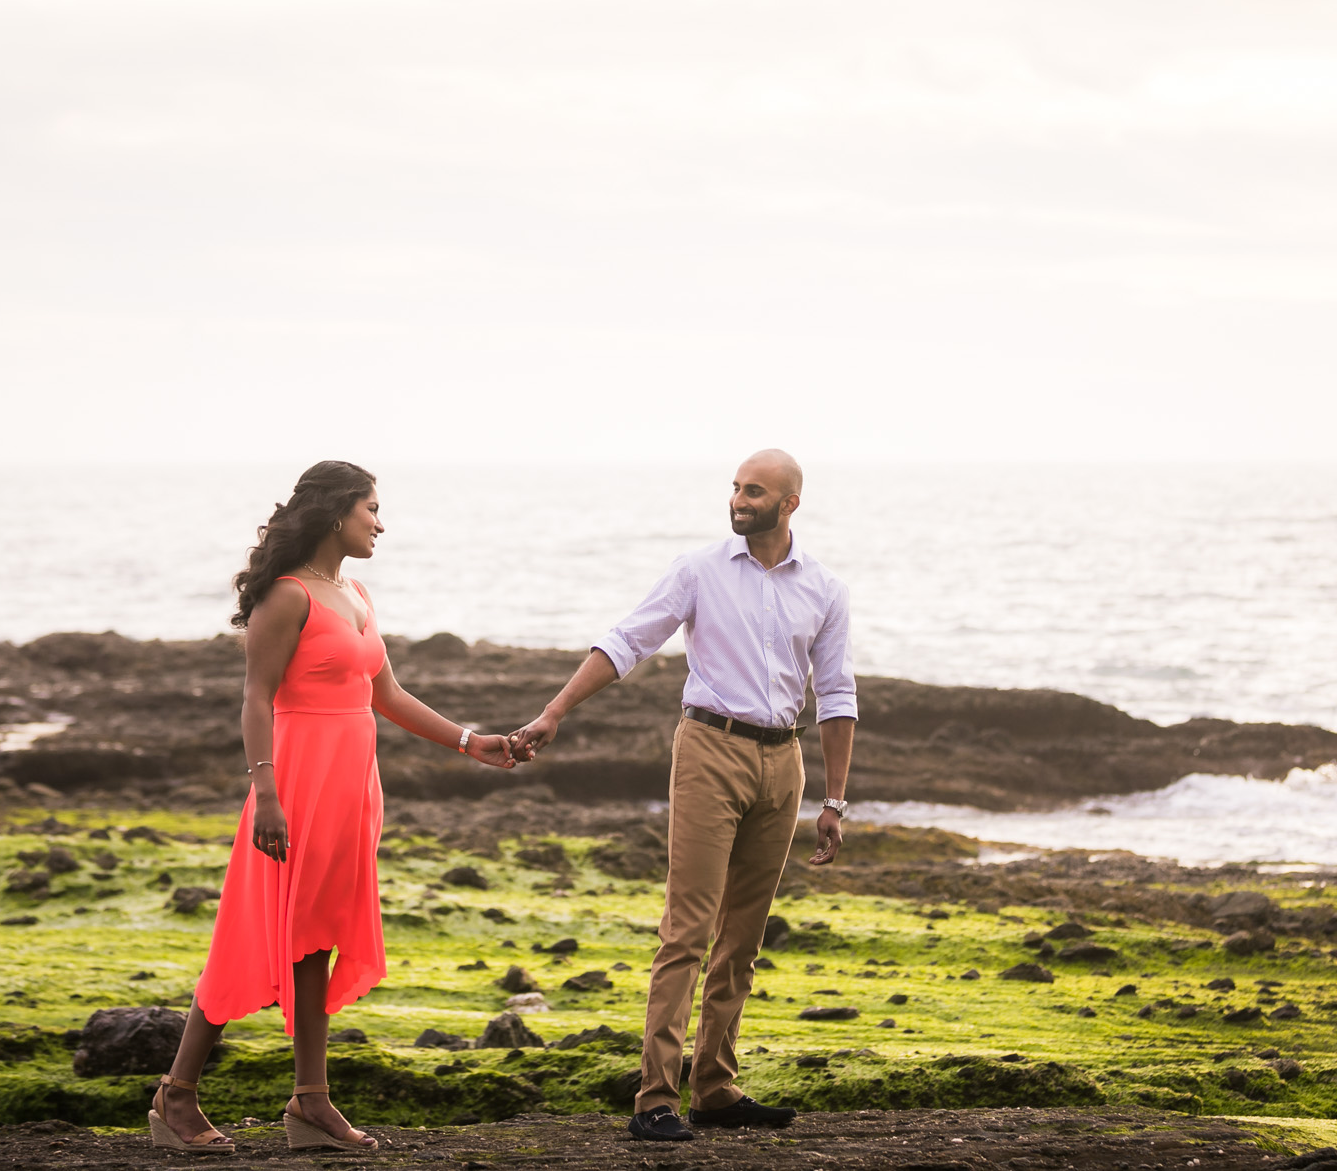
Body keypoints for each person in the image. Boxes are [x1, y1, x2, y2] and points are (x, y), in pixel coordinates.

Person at [148, 460, 517, 1155]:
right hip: (293, 785)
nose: (381, 521)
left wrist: (474, 742)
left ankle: (311, 1101)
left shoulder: (357, 594)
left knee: (316, 934)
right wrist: (266, 793)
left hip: (352, 787)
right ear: (336, 513)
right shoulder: (288, 596)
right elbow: (257, 696)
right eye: (372, 508)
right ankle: (176, 1095)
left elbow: (389, 695)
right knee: (250, 933)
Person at [509, 449, 856, 1143]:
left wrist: (835, 800)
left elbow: (837, 691)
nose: (738, 498)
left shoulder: (824, 586)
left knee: (743, 937)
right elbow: (627, 641)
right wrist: (554, 710)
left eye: (753, 490)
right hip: (708, 749)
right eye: (734, 487)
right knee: (688, 928)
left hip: (782, 760)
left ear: (789, 503)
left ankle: (716, 1087)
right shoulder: (699, 569)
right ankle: (654, 1098)